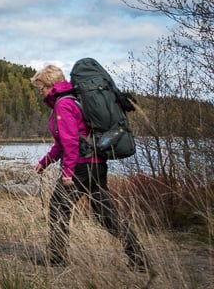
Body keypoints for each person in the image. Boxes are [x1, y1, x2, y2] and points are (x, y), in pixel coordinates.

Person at [32, 64, 148, 270]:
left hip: (81, 166)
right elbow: (63, 143)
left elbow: (70, 142)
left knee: (58, 207)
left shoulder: (63, 104)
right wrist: (44, 163)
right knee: (105, 214)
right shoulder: (74, 100)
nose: (39, 91)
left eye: (40, 86)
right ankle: (138, 258)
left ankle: (56, 258)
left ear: (50, 85)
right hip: (96, 164)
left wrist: (68, 172)